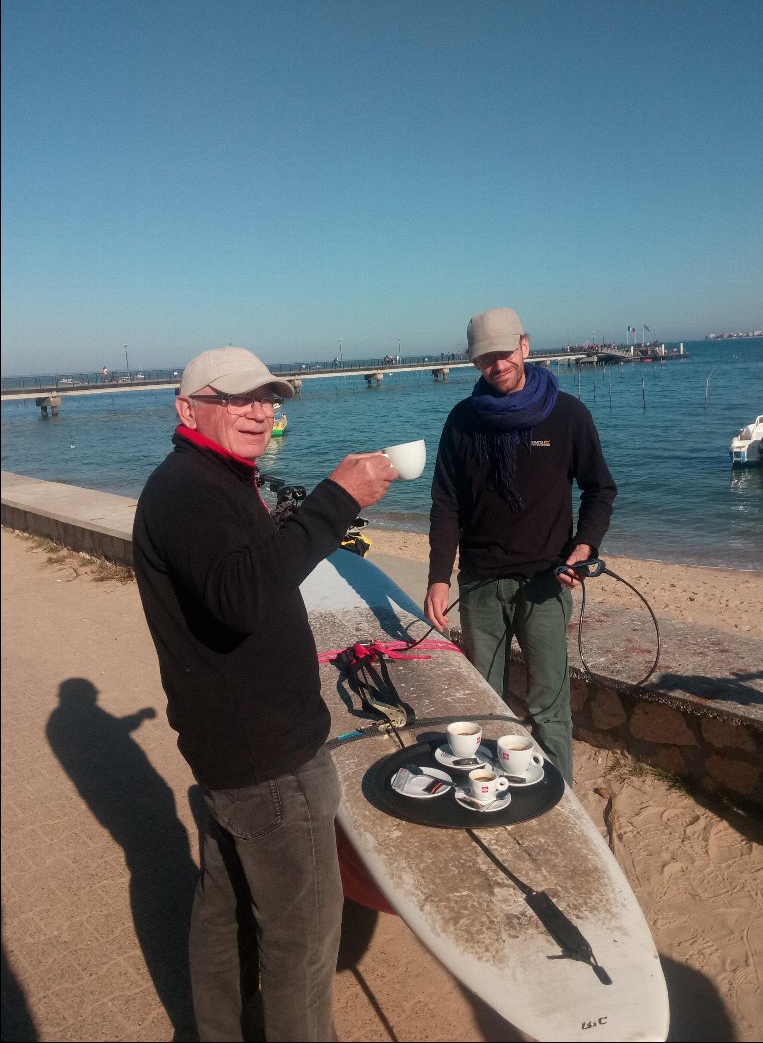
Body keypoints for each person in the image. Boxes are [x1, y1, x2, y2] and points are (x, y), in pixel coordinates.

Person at [132, 346, 397, 1042]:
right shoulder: (191, 489)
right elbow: (242, 598)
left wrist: (292, 523)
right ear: (188, 408)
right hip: (268, 756)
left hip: (233, 748)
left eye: (268, 398)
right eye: (238, 398)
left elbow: (241, 573)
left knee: (224, 911)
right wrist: (335, 500)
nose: (259, 411)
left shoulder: (210, 477)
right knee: (302, 943)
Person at [424, 308, 617, 785]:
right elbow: (446, 502)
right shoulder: (462, 420)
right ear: (474, 363)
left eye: (505, 353)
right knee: (485, 705)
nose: (498, 365)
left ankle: (563, 801)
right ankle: (487, 788)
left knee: (548, 708)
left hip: (545, 585)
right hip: (480, 586)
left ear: (525, 347)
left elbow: (600, 490)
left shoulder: (568, 414)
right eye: (486, 358)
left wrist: (584, 547)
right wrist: (437, 576)